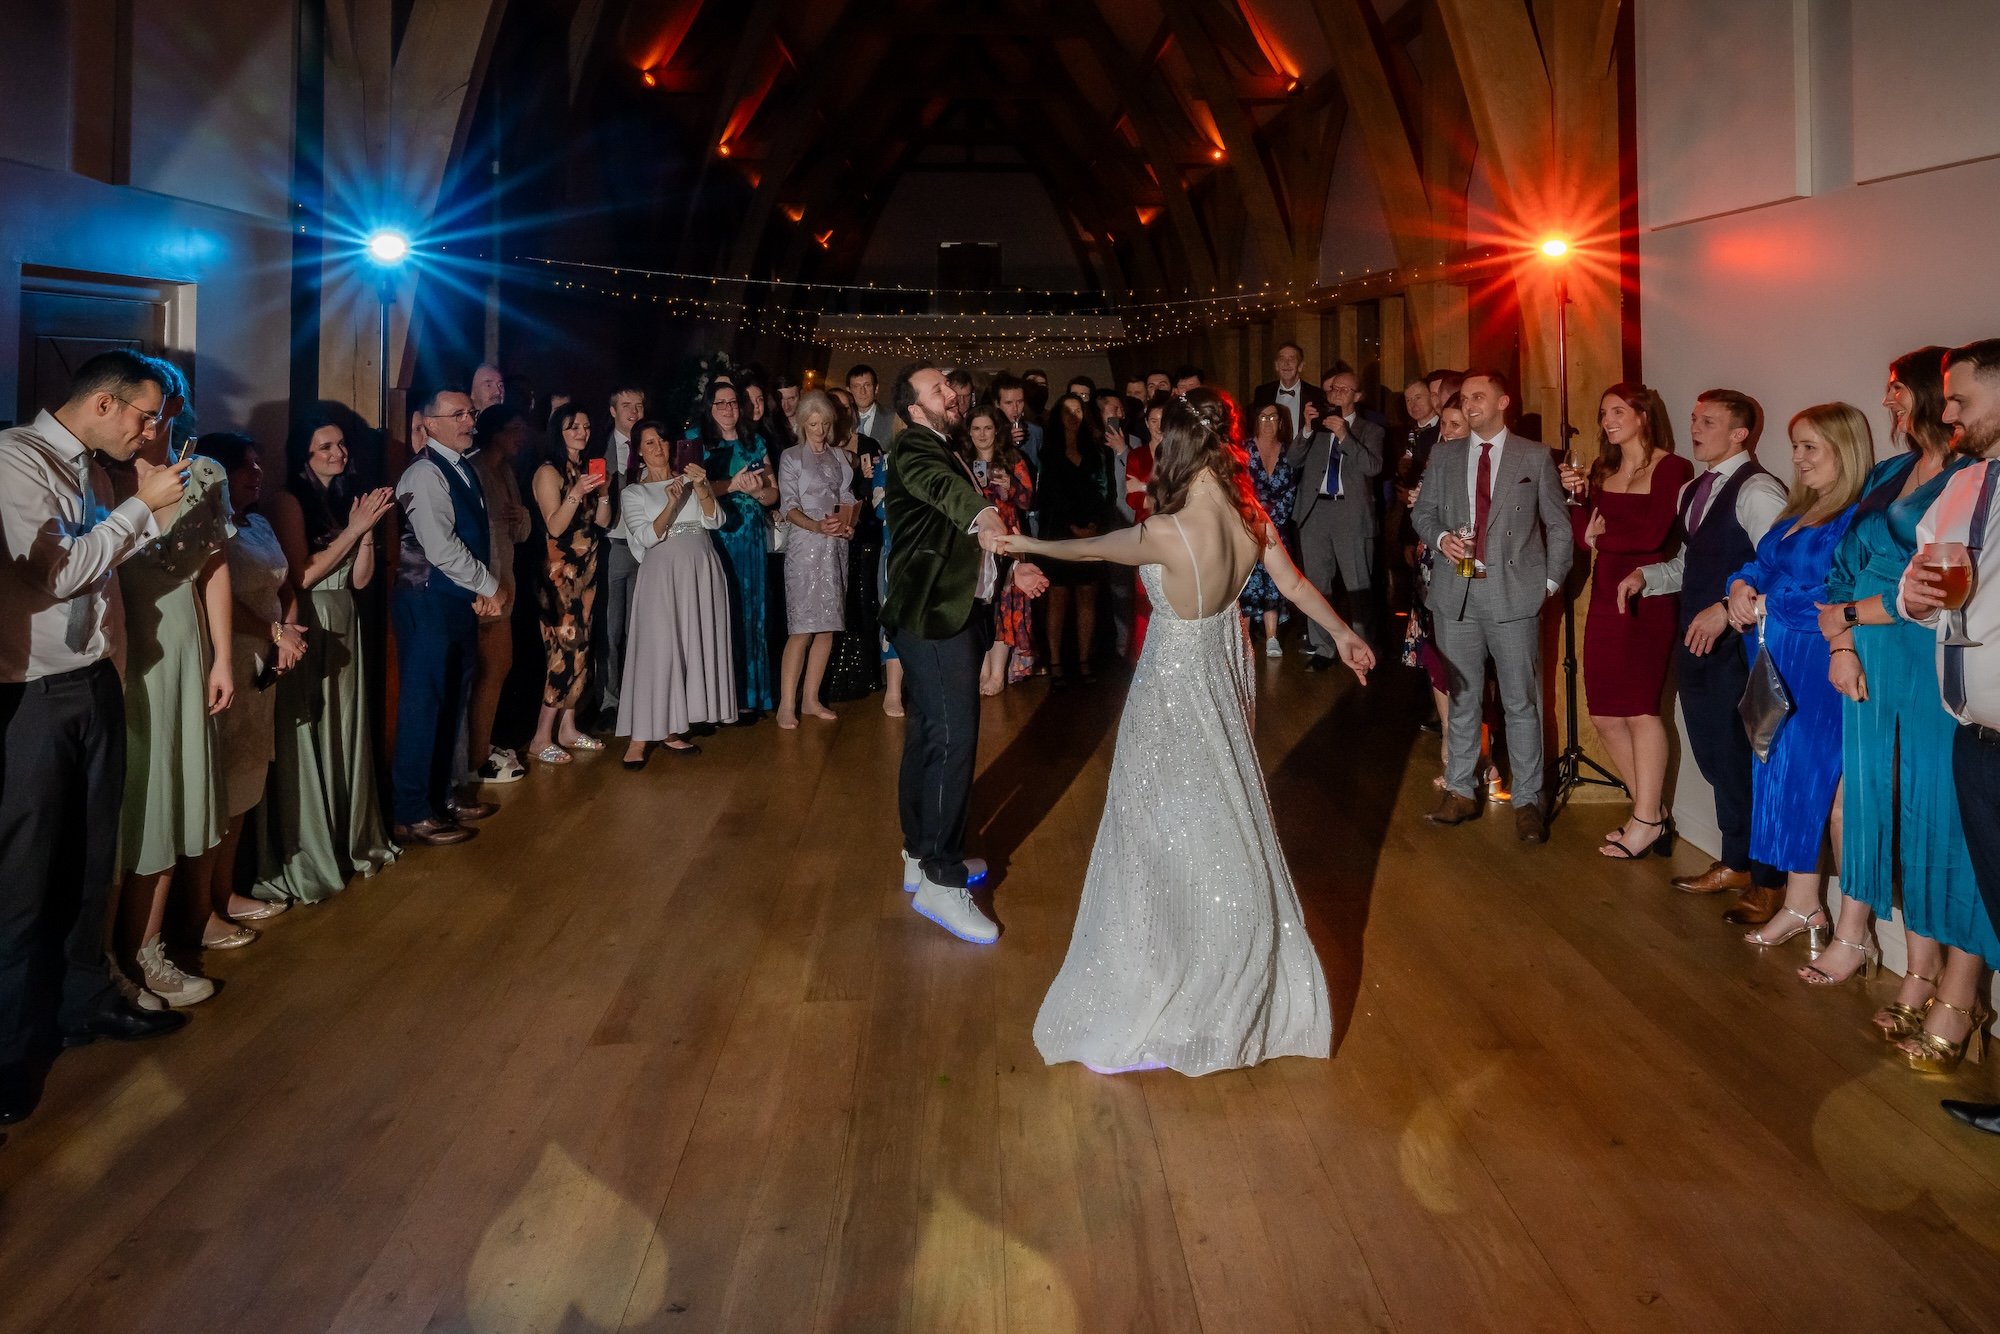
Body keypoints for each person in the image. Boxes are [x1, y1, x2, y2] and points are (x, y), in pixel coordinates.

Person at [1001, 389, 1374, 1075]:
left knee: (1153, 828)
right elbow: (1291, 587)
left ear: (1176, 444)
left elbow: (1087, 551)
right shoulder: (1250, 516)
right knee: (1222, 813)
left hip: (1174, 684)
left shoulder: (1166, 531)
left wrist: (1020, 540)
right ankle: (1222, 966)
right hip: (1226, 672)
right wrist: (1346, 634)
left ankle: (1175, 973)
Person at [0, 351, 189, 1124]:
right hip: (31, 692)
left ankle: (85, 1003)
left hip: (91, 682)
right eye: (145, 416)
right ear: (104, 404)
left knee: (89, 861)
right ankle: (10, 1056)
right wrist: (141, 509)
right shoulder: (15, 460)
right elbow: (59, 572)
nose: (151, 432)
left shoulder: (91, 469)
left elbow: (104, 575)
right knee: (23, 880)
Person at [1807, 349, 1989, 1025]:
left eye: (1894, 390)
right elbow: (1843, 564)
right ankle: (1910, 964)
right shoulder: (1888, 472)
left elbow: (1947, 589)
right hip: (1866, 656)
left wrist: (1852, 617)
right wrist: (1840, 642)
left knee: (1934, 820)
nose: (1887, 402)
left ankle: (1934, 981)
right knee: (1872, 808)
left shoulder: (1973, 476)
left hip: (1928, 656)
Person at [880, 361, 1047, 945]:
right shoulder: (915, 450)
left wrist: (1009, 566)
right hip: (932, 621)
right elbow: (950, 499)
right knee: (952, 740)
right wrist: (986, 518)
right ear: (912, 408)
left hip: (939, 614)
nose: (952, 392)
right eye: (938, 388)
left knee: (929, 735)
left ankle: (920, 853)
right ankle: (943, 883)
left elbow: (954, 542)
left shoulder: (942, 446)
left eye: (951, 385)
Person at [1624, 390, 1790, 923]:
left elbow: (1781, 573)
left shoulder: (1759, 490)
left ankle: (1769, 881)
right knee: (1717, 760)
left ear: (1741, 433)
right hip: (1695, 647)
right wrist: (1646, 576)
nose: (1696, 428)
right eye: (1695, 419)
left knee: (1748, 761)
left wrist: (1725, 608)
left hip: (1741, 651)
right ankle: (1736, 862)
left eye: (1710, 421)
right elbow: (1688, 565)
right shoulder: (1694, 489)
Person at [1723, 404, 1869, 953]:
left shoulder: (1852, 517)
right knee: (1780, 781)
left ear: (1843, 450)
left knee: (1811, 783)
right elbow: (1759, 565)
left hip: (1814, 665)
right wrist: (1739, 587)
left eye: (1811, 448)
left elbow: (1836, 590)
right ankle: (1800, 903)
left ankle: (1820, 913)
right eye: (1797, 447)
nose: (1798, 458)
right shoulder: (1797, 512)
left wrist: (1766, 601)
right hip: (1774, 663)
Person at [111, 368, 235, 1008]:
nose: (150, 421)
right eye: (143, 409)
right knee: (129, 792)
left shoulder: (204, 474)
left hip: (183, 639)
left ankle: (149, 947)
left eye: (163, 409)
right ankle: (108, 956)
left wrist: (221, 659)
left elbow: (213, 565)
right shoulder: (99, 475)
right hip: (120, 640)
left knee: (170, 789)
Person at [1897, 340, 2000, 1093]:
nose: (1951, 411)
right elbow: (1916, 581)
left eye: (1963, 396)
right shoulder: (1966, 486)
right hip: (1975, 735)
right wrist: (1914, 597)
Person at [1413, 370, 1573, 842]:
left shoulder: (1535, 456)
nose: (1469, 404)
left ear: (1504, 401)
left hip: (1513, 596)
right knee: (1463, 697)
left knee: (1521, 702)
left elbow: (1559, 527)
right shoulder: (1443, 455)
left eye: (1478, 397)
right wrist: (1441, 538)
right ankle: (1461, 791)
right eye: (1465, 398)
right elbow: (1423, 513)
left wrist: (1545, 583)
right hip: (1454, 594)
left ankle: (1528, 800)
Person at [258, 410, 400, 902]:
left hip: (345, 619)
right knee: (309, 730)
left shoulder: (342, 498)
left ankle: (348, 840)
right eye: (326, 447)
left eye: (341, 445)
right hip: (309, 619)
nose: (338, 453)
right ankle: (309, 854)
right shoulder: (287, 501)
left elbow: (361, 581)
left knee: (344, 730)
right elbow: (304, 576)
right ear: (303, 454)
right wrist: (354, 528)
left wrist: (366, 533)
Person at [1558, 384, 1693, 858]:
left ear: (1643, 416)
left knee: (1640, 711)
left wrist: (1600, 540)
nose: (1607, 420)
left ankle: (1644, 819)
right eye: (1603, 412)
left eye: (1617, 411)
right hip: (1604, 597)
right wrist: (1576, 502)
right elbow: (1580, 532)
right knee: (1603, 715)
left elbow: (1654, 533)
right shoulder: (1601, 470)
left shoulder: (1674, 467)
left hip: (1647, 598)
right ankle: (1651, 815)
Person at [186, 433, 305, 953]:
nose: (256, 474)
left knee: (246, 782)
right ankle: (198, 910)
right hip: (226, 656)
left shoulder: (256, 522)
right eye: (246, 467)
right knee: (220, 783)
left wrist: (289, 634)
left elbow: (284, 586)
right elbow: (220, 594)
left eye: (259, 464)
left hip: (266, 659)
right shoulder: (213, 528)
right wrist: (275, 633)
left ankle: (226, 892)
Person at [391, 386, 503, 846]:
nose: (468, 421)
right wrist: (490, 585)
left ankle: (441, 798)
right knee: (424, 706)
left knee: (451, 702)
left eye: (470, 413)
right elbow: (439, 547)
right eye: (457, 414)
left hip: (453, 601)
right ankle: (412, 811)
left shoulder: (461, 467)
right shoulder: (424, 472)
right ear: (428, 424)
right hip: (427, 599)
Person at [616, 420, 735, 764]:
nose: (657, 447)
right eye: (649, 442)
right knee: (658, 651)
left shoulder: (691, 477)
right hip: (662, 575)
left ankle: (671, 729)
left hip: (701, 569)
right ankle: (638, 739)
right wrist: (669, 505)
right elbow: (645, 538)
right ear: (638, 449)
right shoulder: (633, 492)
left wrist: (700, 487)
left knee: (690, 646)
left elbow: (716, 521)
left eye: (662, 440)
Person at [527, 403, 611, 763]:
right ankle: (540, 736)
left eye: (586, 426)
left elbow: (603, 522)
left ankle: (568, 727)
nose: (582, 433)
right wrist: (576, 491)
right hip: (560, 576)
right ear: (557, 432)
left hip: (588, 572)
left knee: (583, 650)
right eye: (573, 427)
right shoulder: (549, 472)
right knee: (563, 652)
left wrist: (604, 491)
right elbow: (555, 526)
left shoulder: (584, 468)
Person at [694, 380, 780, 716]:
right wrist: (732, 485)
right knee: (721, 613)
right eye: (721, 403)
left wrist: (757, 489)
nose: (728, 409)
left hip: (752, 536)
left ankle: (750, 696)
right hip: (719, 537)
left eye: (733, 403)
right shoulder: (700, 444)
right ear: (710, 408)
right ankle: (719, 698)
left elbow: (773, 494)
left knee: (753, 613)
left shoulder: (755, 441)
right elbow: (692, 488)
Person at [1289, 366, 1385, 658]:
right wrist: (1305, 428)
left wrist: (1345, 435)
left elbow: (1372, 467)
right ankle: (1322, 647)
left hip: (1350, 515)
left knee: (1358, 585)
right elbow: (1293, 460)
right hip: (1316, 513)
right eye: (1331, 389)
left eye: (1343, 389)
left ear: (1358, 395)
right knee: (1317, 586)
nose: (1335, 394)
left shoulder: (1371, 430)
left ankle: (1364, 648)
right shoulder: (1316, 429)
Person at [775, 391, 857, 728]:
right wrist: (816, 526)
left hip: (835, 547)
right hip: (805, 546)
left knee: (827, 628)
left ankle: (810, 700)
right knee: (801, 629)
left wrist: (848, 526)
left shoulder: (840, 457)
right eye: (812, 424)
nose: (819, 430)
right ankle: (786, 704)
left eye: (824, 423)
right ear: (801, 424)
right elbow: (788, 505)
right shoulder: (791, 457)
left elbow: (848, 497)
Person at [466, 405, 533, 784]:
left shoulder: (506, 471)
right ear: (495, 432)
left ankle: (481, 749)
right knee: (484, 672)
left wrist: (521, 516)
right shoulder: (473, 470)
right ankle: (473, 758)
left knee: (498, 670)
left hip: (505, 581)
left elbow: (519, 534)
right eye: (513, 430)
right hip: (481, 588)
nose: (519, 437)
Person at [1034, 392, 1118, 682]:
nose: (1073, 416)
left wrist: (1092, 524)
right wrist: (1073, 525)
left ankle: (1084, 660)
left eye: (1078, 411)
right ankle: (1056, 662)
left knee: (1087, 594)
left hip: (1092, 533)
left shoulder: (1096, 450)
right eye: (1067, 411)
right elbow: (1050, 494)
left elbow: (1104, 491)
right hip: (1059, 532)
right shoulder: (1048, 451)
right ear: (1058, 415)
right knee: (1057, 596)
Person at [961, 404, 1036, 692]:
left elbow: (1028, 501)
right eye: (976, 428)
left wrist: (1010, 487)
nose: (982, 434)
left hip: (1007, 540)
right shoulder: (963, 462)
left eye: (988, 428)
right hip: (976, 543)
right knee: (980, 606)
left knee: (1005, 606)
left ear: (997, 430)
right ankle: (982, 670)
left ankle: (997, 674)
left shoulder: (1013, 459)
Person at [597, 384, 647, 725]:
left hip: (646, 547)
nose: (634, 412)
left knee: (639, 628)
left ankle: (639, 697)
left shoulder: (652, 445)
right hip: (613, 542)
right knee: (611, 629)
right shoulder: (600, 449)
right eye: (626, 405)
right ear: (613, 411)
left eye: (639, 405)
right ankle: (609, 701)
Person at [1240, 400, 1300, 657]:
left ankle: (1272, 637)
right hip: (1247, 526)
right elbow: (1238, 487)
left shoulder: (1290, 452)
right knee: (1247, 580)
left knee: (1274, 579)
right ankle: (1243, 638)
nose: (1268, 423)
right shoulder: (1243, 450)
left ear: (1281, 422)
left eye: (1273, 417)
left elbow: (1292, 489)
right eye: (1263, 417)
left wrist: (1272, 522)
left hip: (1277, 528)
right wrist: (1255, 520)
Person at [1251, 341, 1328, 439]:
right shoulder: (1262, 392)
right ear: (1276, 365)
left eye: (1291, 359)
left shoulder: (1316, 394)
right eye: (1282, 359)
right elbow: (1255, 427)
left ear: (1300, 366)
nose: (1286, 364)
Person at [993, 372, 1044, 478]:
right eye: (1008, 403)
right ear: (997, 404)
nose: (1015, 409)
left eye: (1020, 402)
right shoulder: (989, 431)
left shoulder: (1035, 431)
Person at [848, 364, 894, 451]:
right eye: (856, 386)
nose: (862, 391)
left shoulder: (892, 419)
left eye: (867, 385)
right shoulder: (841, 419)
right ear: (849, 390)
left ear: (876, 388)